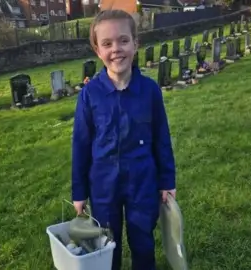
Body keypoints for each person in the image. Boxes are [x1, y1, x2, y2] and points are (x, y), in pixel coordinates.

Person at [71, 9, 176, 270]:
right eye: (107, 43)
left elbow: (161, 138)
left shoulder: (150, 91)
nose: (116, 49)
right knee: (107, 243)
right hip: (103, 185)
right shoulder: (89, 95)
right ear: (97, 50)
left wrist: (167, 180)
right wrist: (79, 192)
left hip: (143, 181)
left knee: (142, 240)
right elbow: (81, 146)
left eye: (123, 41)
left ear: (136, 44)